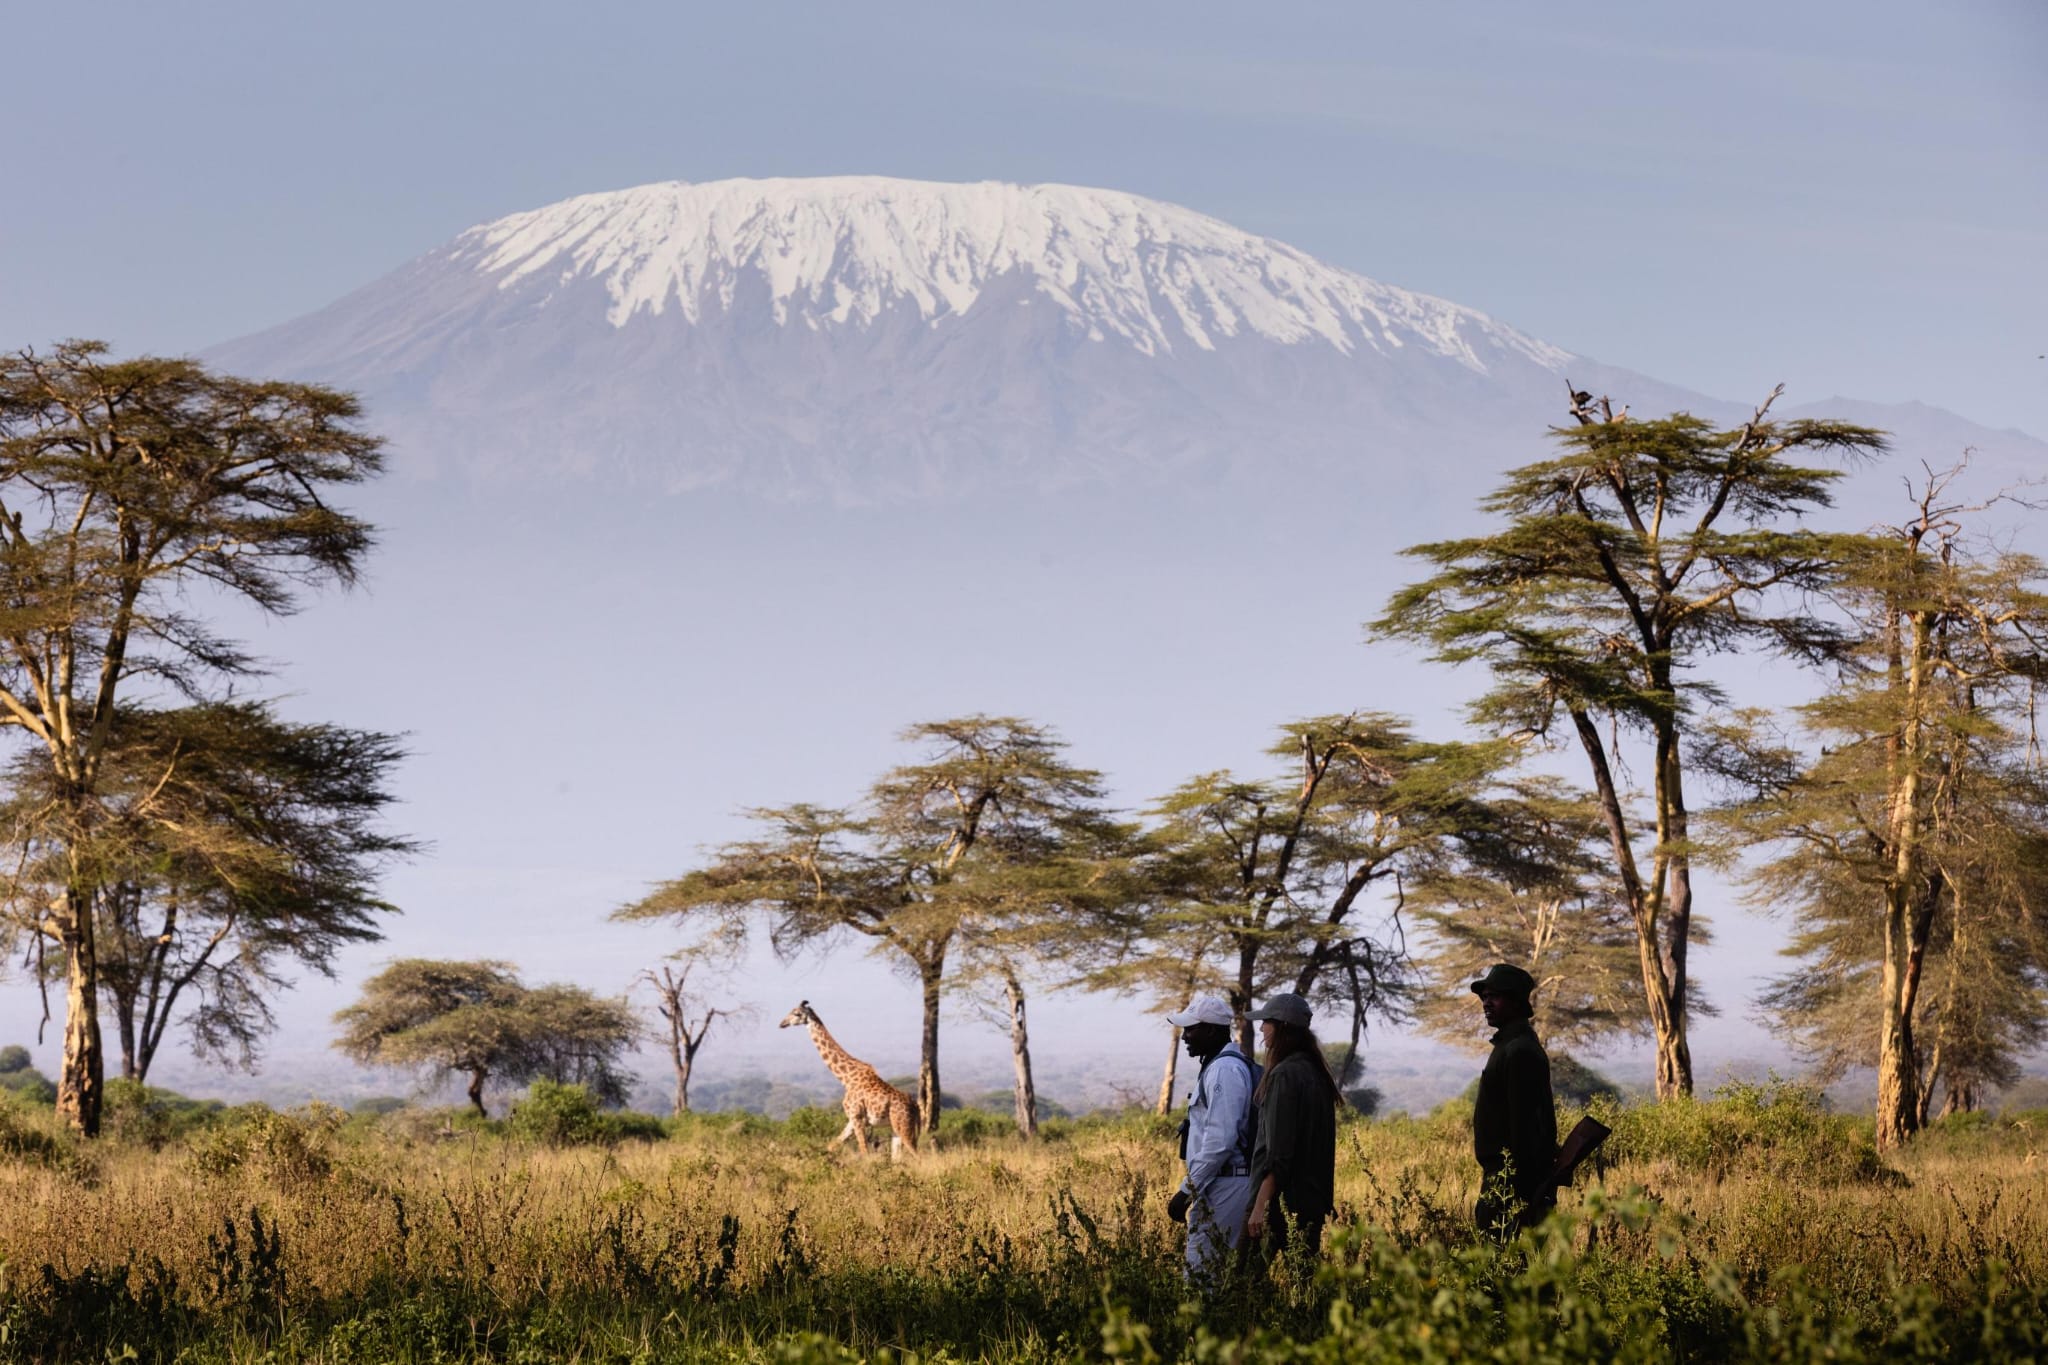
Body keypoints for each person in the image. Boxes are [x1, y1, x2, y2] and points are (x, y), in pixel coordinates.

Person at [1242, 992, 1340, 1260]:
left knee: (1242, 1285)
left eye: (1267, 1022)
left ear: (1282, 1027)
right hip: (1310, 1202)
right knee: (1306, 1286)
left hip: (1279, 1204)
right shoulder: (1315, 1072)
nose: (1261, 1029)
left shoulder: (1285, 1075)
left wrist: (1260, 1205)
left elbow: (1279, 1154)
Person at [1163, 996, 1255, 1281]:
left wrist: (1185, 1191)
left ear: (1212, 1031)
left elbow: (1220, 1141)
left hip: (1227, 1183)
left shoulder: (1225, 1070)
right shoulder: (1217, 1066)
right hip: (1219, 1182)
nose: (1186, 1036)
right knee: (1215, 1275)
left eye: (1191, 1029)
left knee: (1203, 1278)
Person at [1470, 962, 1558, 1232]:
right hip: (1504, 1179)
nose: (1486, 1003)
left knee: (1508, 1266)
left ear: (1517, 1002)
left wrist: (1522, 1194)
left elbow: (1525, 1130)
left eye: (1494, 997)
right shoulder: (1511, 1046)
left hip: (1511, 1184)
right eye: (1484, 997)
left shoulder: (1518, 1050)